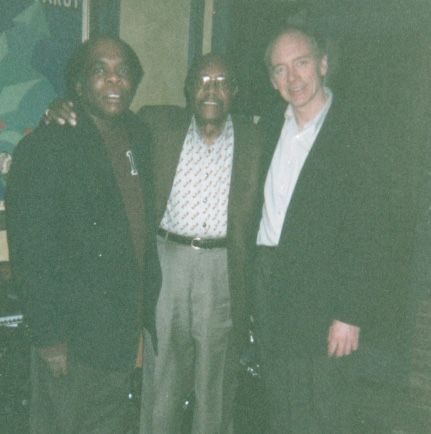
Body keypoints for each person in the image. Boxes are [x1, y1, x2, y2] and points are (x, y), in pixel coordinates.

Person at [42, 53, 266, 434]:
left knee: (216, 382)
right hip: (167, 260)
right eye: (202, 81)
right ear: (188, 89)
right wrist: (63, 108)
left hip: (223, 266)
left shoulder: (256, 137)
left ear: (235, 91)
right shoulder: (157, 123)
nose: (211, 91)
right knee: (162, 375)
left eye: (221, 82)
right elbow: (104, 114)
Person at [6, 35, 161, 434]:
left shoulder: (140, 135)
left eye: (123, 71)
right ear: (77, 84)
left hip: (118, 332)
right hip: (70, 339)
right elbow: (31, 252)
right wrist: (49, 337)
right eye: (100, 70)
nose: (114, 80)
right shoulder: (46, 146)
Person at [254, 24, 375, 433]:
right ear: (273, 81)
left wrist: (350, 312)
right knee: (279, 401)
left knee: (324, 408)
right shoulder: (267, 127)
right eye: (280, 69)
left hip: (325, 294)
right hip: (270, 283)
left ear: (323, 64)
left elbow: (367, 229)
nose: (293, 77)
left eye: (301, 63)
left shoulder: (357, 131)